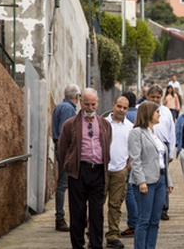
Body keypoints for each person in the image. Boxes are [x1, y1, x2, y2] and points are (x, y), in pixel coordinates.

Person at [58, 88, 112, 249]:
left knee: (97, 212)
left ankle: (96, 245)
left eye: (93, 104)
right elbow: (62, 149)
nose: (90, 107)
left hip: (98, 172)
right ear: (81, 102)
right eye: (87, 104)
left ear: (97, 103)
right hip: (79, 172)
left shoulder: (105, 124)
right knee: (77, 212)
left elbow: (107, 144)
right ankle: (78, 245)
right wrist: (69, 165)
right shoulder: (70, 124)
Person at [128, 101, 173, 249]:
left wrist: (168, 181)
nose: (159, 114)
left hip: (160, 180)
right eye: (157, 111)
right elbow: (135, 159)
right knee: (144, 220)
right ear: (148, 113)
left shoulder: (155, 134)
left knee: (155, 220)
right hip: (146, 182)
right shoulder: (136, 133)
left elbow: (163, 160)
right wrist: (141, 181)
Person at [104, 96, 133, 249]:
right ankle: (92, 234)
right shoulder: (103, 123)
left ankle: (112, 235)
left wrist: (128, 165)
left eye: (125, 108)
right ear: (113, 105)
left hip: (120, 170)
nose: (121, 110)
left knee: (115, 205)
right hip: (102, 170)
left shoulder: (130, 126)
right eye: (119, 106)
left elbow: (133, 148)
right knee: (96, 204)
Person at [52, 84, 81, 232]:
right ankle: (60, 217)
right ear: (77, 97)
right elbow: (68, 132)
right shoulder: (68, 109)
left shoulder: (61, 106)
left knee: (63, 182)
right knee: (64, 183)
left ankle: (61, 216)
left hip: (60, 146)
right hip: (66, 148)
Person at [147, 85, 176, 221]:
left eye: (158, 97)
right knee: (149, 176)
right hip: (147, 145)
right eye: (152, 97)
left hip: (163, 146)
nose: (155, 99)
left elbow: (171, 132)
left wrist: (171, 153)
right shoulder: (142, 109)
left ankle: (163, 208)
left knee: (163, 177)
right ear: (148, 96)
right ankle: (150, 206)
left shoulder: (166, 112)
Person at [120, 92, 139, 237]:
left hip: (125, 159)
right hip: (139, 157)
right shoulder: (140, 114)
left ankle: (133, 223)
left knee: (130, 191)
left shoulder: (124, 117)